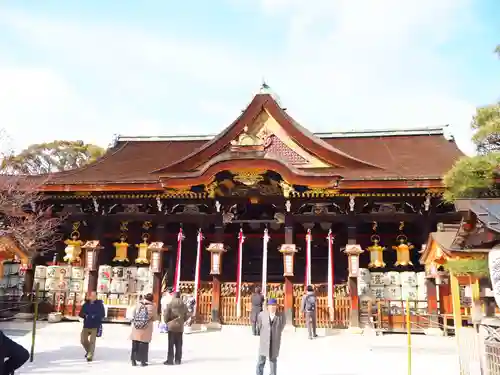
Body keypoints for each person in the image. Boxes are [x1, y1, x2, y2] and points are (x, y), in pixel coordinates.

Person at [256, 298, 285, 375]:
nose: (272, 307)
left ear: (276, 306)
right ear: (267, 306)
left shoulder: (281, 316)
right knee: (261, 361)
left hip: (275, 342)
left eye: (274, 305)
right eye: (271, 305)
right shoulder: (261, 315)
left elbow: (281, 327)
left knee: (273, 361)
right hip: (264, 341)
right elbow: (259, 326)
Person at [130, 293, 158, 367]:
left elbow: (133, 312)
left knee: (135, 344)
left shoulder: (139, 304)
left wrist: (135, 319)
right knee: (144, 344)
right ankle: (143, 361)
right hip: (146, 327)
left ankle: (133, 360)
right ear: (152, 299)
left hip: (136, 326)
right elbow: (155, 318)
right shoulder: (152, 306)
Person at [79, 291, 106, 362]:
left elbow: (103, 314)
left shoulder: (99, 304)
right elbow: (80, 313)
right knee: (83, 340)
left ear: (96, 296)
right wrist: (85, 315)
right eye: (92, 295)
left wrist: (95, 316)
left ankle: (90, 355)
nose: (93, 297)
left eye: (94, 296)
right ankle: (89, 351)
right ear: (90, 296)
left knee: (92, 341)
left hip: (95, 325)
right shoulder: (86, 304)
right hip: (86, 325)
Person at [163, 291, 188, 365]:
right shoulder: (183, 305)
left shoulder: (170, 304)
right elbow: (187, 315)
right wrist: (182, 321)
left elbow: (166, 315)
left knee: (171, 344)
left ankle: (170, 360)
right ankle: (178, 360)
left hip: (171, 326)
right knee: (179, 344)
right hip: (180, 327)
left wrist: (167, 322)